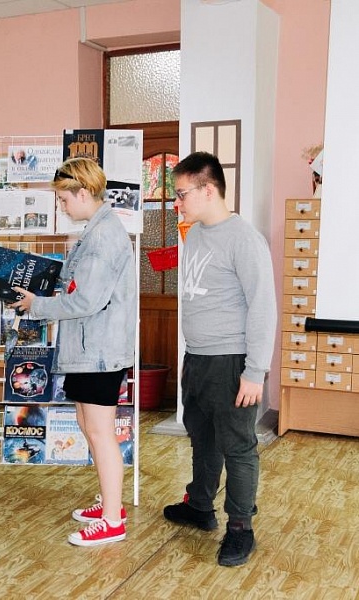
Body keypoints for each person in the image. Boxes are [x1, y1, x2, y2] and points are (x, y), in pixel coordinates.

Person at [11, 157, 136, 547]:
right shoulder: (93, 232)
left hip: (98, 350)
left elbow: (85, 301)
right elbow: (78, 288)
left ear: (84, 193)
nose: (62, 207)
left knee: (101, 434)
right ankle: (109, 503)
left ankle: (113, 520)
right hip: (89, 348)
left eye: (64, 200)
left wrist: (37, 305)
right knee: (90, 428)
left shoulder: (102, 237)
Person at [163, 151, 276, 567]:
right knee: (202, 438)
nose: (178, 202)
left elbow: (264, 307)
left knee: (238, 447)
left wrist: (255, 372)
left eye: (182, 193)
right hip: (197, 359)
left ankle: (240, 528)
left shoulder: (244, 239)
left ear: (208, 190)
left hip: (232, 362)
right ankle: (199, 504)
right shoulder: (195, 233)